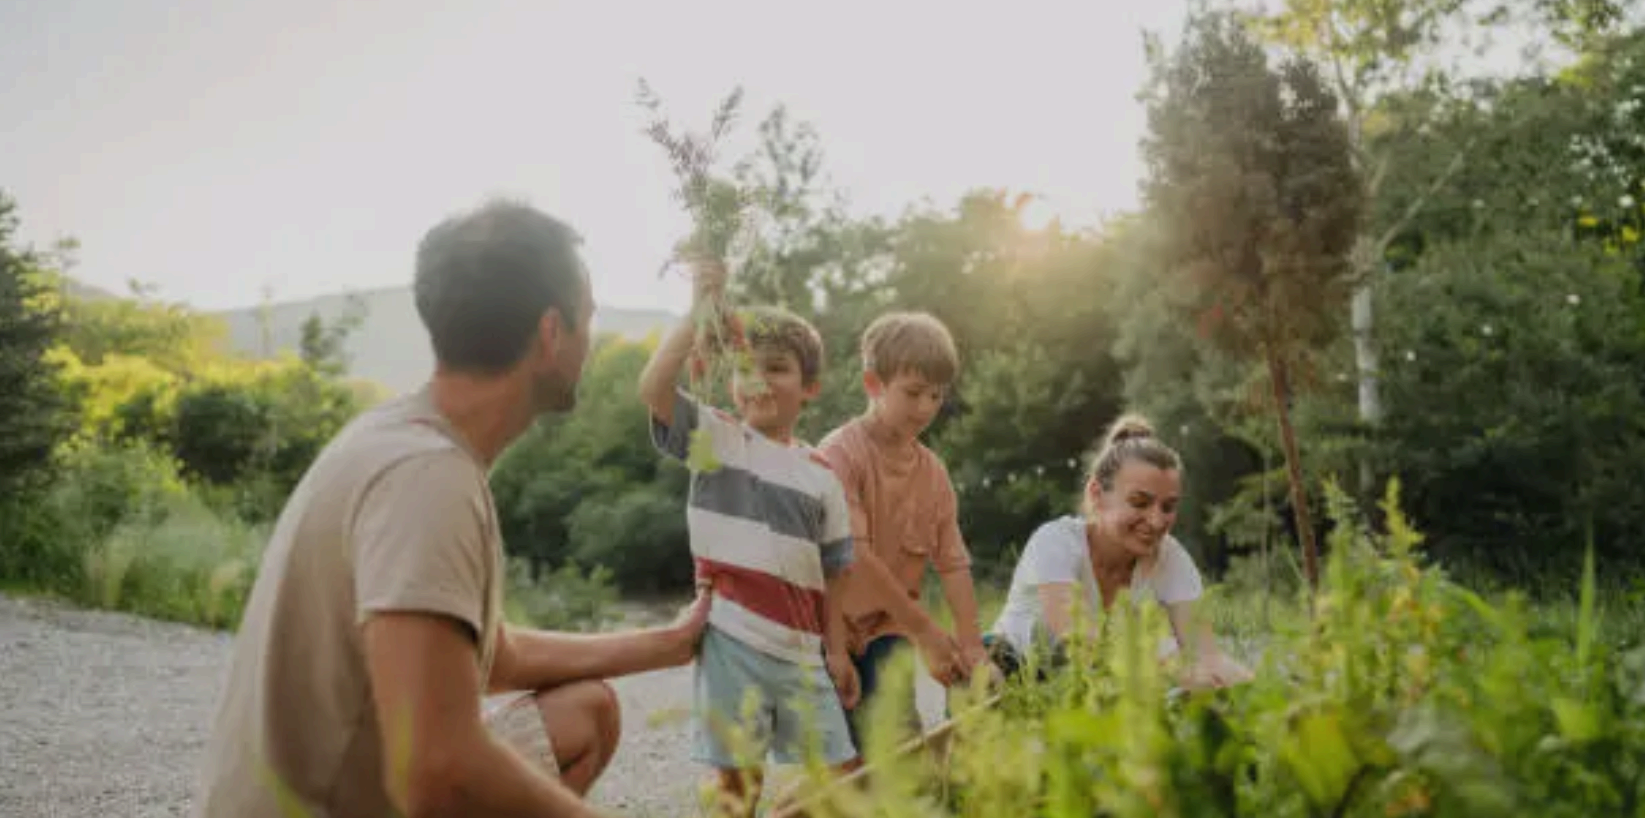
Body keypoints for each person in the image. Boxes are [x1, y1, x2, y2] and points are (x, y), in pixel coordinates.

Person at [192, 199, 710, 818]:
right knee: (474, 762)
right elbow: (438, 771)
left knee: (584, 712)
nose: (590, 339)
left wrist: (670, 643)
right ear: (550, 333)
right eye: (587, 318)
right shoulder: (427, 479)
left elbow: (493, 656)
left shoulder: (401, 438)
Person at [816, 311, 992, 749]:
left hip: (890, 633)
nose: (926, 408)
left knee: (902, 749)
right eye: (913, 393)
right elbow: (853, 557)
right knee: (869, 764)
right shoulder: (840, 455)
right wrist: (926, 632)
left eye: (936, 395)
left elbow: (952, 564)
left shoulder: (933, 474)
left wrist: (970, 645)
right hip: (832, 633)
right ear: (873, 384)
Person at [984, 414, 1253, 690]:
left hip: (1091, 681)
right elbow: (1076, 637)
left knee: (1173, 660)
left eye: (1168, 507)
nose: (1157, 520)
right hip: (1013, 661)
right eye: (1140, 502)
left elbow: (1207, 656)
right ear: (1097, 495)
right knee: (984, 676)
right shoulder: (1056, 541)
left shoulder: (1170, 556)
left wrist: (1259, 687)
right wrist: (1171, 667)